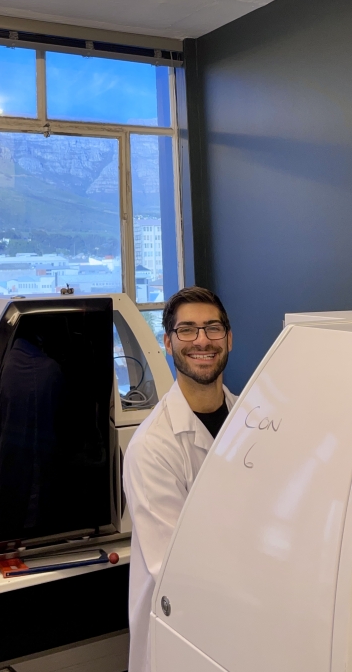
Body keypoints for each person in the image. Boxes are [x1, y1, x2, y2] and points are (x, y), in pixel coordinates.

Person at [123, 286, 237, 672]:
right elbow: (177, 569)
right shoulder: (152, 447)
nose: (202, 340)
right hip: (181, 632)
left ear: (229, 339)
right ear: (168, 344)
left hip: (240, 625)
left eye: (213, 328)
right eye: (187, 330)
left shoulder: (253, 419)